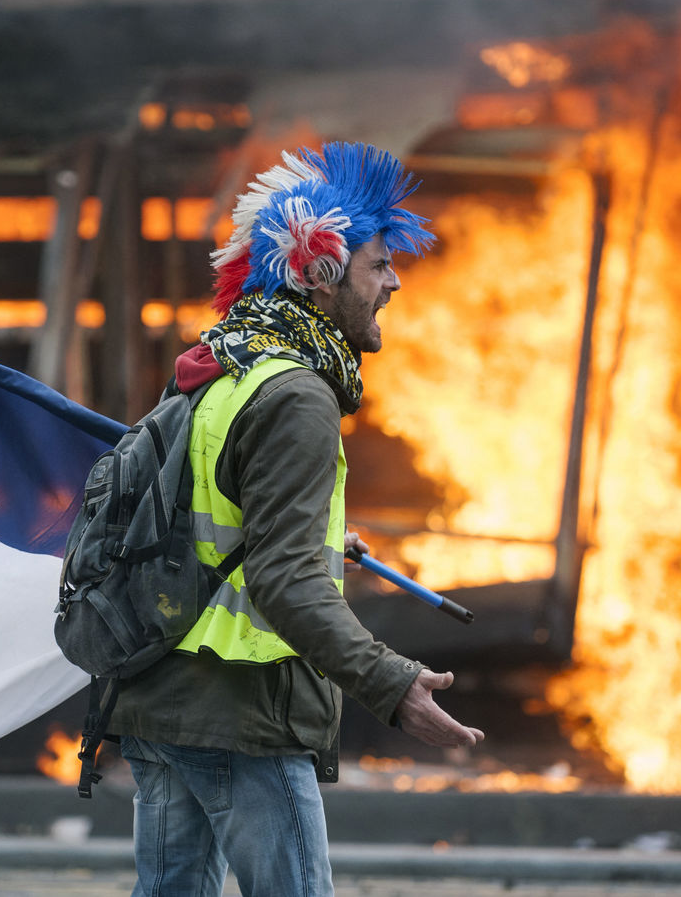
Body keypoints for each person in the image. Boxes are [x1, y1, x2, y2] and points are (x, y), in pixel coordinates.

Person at [107, 141, 484, 897]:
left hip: (160, 698)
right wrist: (393, 685)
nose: (394, 281)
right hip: (243, 714)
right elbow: (282, 580)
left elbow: (209, 514)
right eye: (379, 264)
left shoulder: (220, 367)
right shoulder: (297, 396)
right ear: (319, 273)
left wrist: (312, 535)